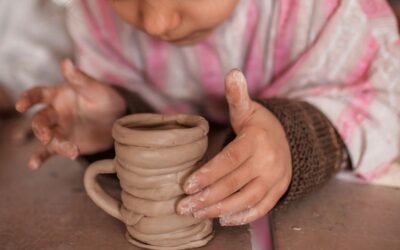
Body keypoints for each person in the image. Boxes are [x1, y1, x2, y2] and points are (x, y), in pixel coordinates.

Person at [15, 0, 400, 229]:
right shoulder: (99, 15)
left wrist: (294, 140)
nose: (156, 22)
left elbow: (384, 99)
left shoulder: (328, 12)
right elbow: (124, 88)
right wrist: (114, 121)